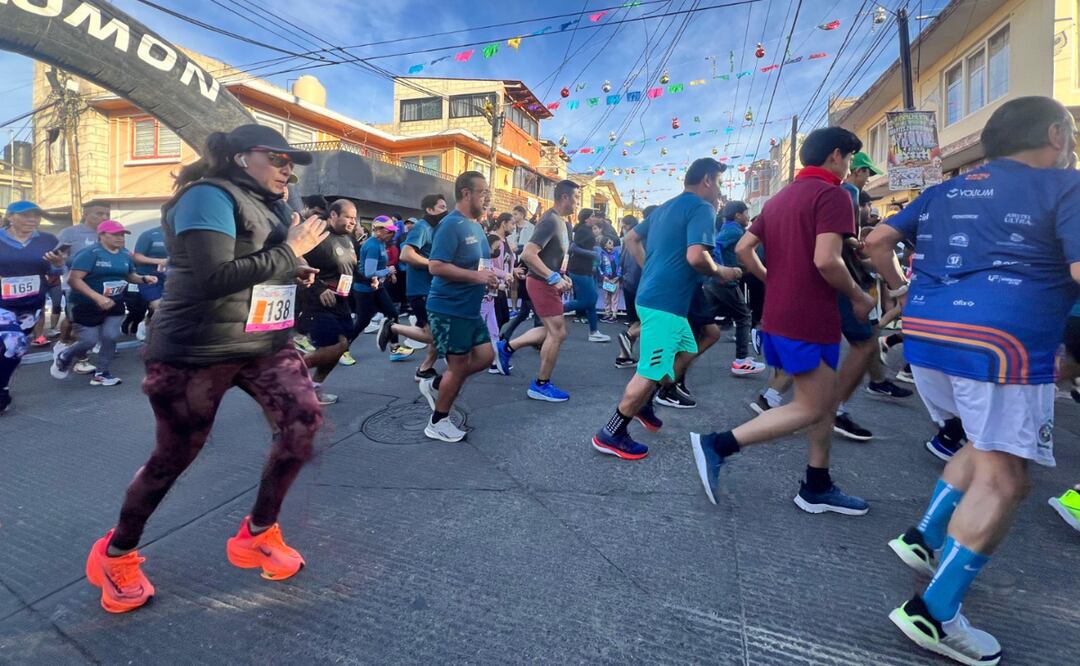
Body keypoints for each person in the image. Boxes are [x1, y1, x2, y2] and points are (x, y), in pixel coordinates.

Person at [864, 97, 1080, 665]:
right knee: (1006, 480)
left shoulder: (942, 191)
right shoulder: (1067, 187)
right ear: (1057, 134)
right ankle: (934, 613)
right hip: (1001, 346)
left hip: (927, 337)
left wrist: (899, 290)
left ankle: (925, 538)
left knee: (979, 449)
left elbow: (876, 242)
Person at [83, 125, 328, 614]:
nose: (287, 169)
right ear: (241, 159)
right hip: (195, 348)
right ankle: (116, 554)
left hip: (263, 341)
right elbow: (215, 275)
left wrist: (289, 267)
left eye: (292, 162)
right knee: (174, 456)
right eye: (277, 158)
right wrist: (290, 252)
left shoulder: (275, 205)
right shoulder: (207, 196)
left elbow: (256, 261)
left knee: (303, 423)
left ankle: (257, 533)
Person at [689, 127, 873, 515]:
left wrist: (773, 278)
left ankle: (817, 483)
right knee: (812, 406)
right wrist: (858, 295)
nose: (851, 168)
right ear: (836, 156)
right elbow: (826, 260)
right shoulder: (834, 194)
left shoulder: (779, 199)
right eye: (851, 160)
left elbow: (743, 248)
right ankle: (719, 444)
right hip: (810, 315)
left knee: (821, 404)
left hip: (782, 311)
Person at [591, 158, 740, 460]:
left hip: (656, 298)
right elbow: (698, 257)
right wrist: (722, 272)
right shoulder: (702, 208)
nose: (720, 190)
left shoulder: (664, 207)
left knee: (684, 350)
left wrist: (652, 269)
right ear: (708, 180)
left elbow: (631, 238)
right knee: (650, 370)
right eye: (720, 182)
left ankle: (645, 402)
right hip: (666, 304)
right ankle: (612, 432)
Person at [832, 151, 912, 442]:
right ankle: (832, 410)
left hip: (842, 278)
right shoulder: (848, 191)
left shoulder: (830, 192)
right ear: (856, 170)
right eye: (867, 173)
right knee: (863, 342)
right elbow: (840, 242)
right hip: (844, 280)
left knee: (864, 339)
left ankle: (877, 381)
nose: (869, 180)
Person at [420, 171, 498, 441]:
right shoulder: (450, 224)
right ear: (466, 193)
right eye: (483, 192)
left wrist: (490, 279)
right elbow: (436, 265)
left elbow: (479, 265)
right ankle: (438, 421)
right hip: (449, 308)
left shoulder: (476, 226)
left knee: (486, 357)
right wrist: (478, 277)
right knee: (458, 365)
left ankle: (437, 385)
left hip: (469, 308)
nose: (487, 198)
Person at [494, 180, 578, 402]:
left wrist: (560, 275)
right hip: (541, 283)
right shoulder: (549, 221)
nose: (577, 203)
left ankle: (506, 347)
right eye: (576, 198)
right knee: (558, 333)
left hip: (547, 282)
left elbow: (551, 256)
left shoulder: (562, 223)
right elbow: (528, 254)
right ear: (565, 198)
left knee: (552, 331)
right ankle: (540, 384)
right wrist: (552, 277)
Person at [50, 220, 156, 386]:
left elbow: (129, 275)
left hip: (115, 303)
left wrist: (143, 279)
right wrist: (97, 297)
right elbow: (74, 279)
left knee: (111, 337)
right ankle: (66, 355)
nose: (120, 238)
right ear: (102, 236)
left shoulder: (125, 254)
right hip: (86, 304)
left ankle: (102, 373)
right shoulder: (90, 253)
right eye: (115, 234)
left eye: (122, 234)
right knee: (89, 341)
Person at [0, 201, 65, 414]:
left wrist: (57, 264)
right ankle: (2, 391)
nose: (33, 220)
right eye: (27, 215)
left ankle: (3, 381)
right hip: (2, 304)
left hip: (31, 303)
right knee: (14, 343)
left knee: (13, 350)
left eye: (36, 216)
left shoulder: (48, 240)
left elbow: (55, 273)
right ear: (11, 217)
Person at [380, 193, 448, 382]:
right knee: (435, 336)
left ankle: (425, 369)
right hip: (420, 291)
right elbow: (406, 255)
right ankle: (392, 327)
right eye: (441, 207)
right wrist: (433, 265)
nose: (445, 210)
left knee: (438, 333)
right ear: (430, 209)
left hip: (433, 289)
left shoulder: (435, 229)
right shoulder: (422, 227)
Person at [300, 198, 358, 404]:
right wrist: (319, 288)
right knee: (333, 346)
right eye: (348, 217)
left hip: (342, 301)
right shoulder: (318, 236)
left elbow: (352, 270)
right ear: (333, 215)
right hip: (317, 302)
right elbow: (297, 258)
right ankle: (288, 373)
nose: (353, 221)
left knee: (343, 346)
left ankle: (313, 387)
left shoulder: (349, 239)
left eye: (354, 218)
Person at [710, 200, 766, 377]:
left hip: (718, 282)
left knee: (704, 317)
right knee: (744, 315)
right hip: (725, 282)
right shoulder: (734, 230)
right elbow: (717, 245)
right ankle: (741, 360)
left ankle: (676, 349)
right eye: (746, 213)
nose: (748, 217)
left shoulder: (730, 229)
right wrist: (720, 270)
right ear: (738, 215)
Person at [56, 200, 112, 374]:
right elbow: (57, 256)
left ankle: (75, 349)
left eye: (107, 214)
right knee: (75, 320)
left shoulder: (109, 234)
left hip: (101, 288)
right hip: (75, 286)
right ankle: (71, 350)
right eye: (99, 213)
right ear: (85, 214)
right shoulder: (70, 233)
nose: (104, 217)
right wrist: (65, 271)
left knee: (96, 321)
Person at [563, 209, 610, 342]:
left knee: (591, 300)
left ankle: (594, 332)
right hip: (579, 270)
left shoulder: (588, 230)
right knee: (589, 300)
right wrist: (593, 254)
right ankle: (557, 309)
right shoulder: (582, 230)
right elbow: (573, 248)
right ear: (586, 219)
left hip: (587, 270)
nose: (595, 218)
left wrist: (595, 263)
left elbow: (593, 249)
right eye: (593, 216)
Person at [350, 216, 399, 343]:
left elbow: (379, 265)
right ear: (378, 230)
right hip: (364, 288)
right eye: (389, 231)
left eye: (393, 231)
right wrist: (388, 271)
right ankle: (342, 348)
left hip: (377, 286)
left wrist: (388, 273)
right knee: (363, 321)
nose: (392, 234)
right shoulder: (372, 246)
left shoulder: (381, 243)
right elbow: (369, 272)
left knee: (392, 314)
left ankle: (395, 348)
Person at [615, 209, 651, 369]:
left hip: (629, 284)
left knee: (635, 321)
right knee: (651, 321)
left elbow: (621, 262)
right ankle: (628, 336)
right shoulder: (649, 237)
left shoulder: (628, 239)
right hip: (642, 285)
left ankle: (623, 357)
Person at [499, 205, 537, 341]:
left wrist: (519, 248)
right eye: (512, 215)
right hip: (516, 264)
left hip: (526, 264)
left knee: (527, 308)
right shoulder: (504, 234)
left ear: (522, 214)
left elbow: (529, 245)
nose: (514, 217)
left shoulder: (531, 228)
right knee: (529, 306)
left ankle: (506, 335)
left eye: (516, 214)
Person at [128, 223, 169, 340]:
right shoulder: (149, 235)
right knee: (159, 307)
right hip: (149, 278)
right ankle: (157, 338)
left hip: (172, 279)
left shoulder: (183, 233)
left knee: (169, 309)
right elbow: (137, 257)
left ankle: (146, 324)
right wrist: (160, 261)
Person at [598, 237, 621, 323]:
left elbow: (620, 265)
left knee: (615, 297)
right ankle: (607, 313)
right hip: (607, 279)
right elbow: (598, 266)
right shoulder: (602, 255)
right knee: (607, 297)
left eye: (612, 243)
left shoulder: (617, 254)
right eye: (610, 243)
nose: (612, 245)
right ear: (604, 245)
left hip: (615, 279)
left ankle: (614, 314)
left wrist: (618, 276)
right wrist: (603, 276)